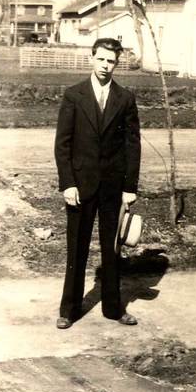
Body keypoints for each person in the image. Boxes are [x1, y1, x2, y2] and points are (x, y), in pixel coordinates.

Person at [54, 37, 141, 329]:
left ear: (117, 64)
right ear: (92, 58)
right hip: (80, 187)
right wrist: (68, 183)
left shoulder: (125, 98)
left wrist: (129, 188)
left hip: (113, 189)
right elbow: (62, 145)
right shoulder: (74, 95)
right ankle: (69, 310)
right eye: (101, 59)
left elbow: (132, 145)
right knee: (76, 248)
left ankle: (114, 309)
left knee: (112, 249)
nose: (105, 65)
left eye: (111, 61)